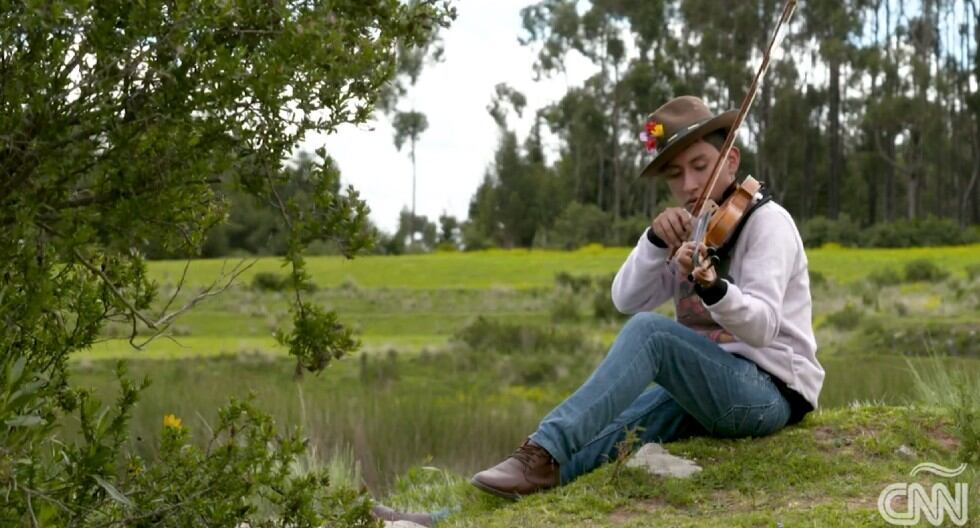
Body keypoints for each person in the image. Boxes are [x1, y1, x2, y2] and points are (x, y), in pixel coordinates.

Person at [468, 94, 825, 500]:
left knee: (651, 334)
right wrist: (655, 242)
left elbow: (762, 328)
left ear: (731, 160)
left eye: (700, 166)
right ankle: (457, 515)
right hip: (708, 386)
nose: (689, 185)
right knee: (599, 441)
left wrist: (712, 286)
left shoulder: (768, 222)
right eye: (675, 174)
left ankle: (542, 448)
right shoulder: (691, 229)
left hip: (770, 394)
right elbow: (625, 298)